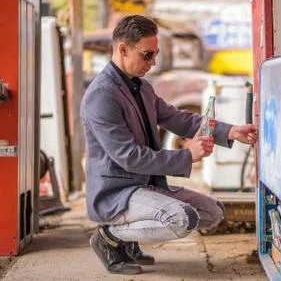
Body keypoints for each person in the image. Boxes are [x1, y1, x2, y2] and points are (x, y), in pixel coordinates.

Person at [80, 14, 258, 275]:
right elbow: (129, 157)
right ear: (122, 49)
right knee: (182, 218)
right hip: (116, 193)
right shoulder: (101, 96)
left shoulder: (141, 87)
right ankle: (110, 236)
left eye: (155, 55)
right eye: (147, 55)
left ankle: (129, 242)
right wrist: (187, 156)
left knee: (213, 212)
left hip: (144, 185)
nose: (152, 62)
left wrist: (230, 131)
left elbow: (178, 118)